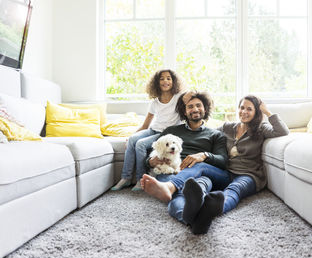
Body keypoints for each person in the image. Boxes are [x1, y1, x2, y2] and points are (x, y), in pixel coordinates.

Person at [171, 95, 290, 234]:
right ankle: (192, 195)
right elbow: (208, 135)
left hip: (249, 175)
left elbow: (282, 131)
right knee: (201, 168)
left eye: (249, 109)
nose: (244, 112)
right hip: (226, 172)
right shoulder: (228, 127)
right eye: (242, 107)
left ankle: (210, 209)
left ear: (256, 112)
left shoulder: (261, 128)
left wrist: (267, 112)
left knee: (234, 190)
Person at [140, 91, 231, 219]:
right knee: (177, 197)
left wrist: (204, 155)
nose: (195, 109)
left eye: (198, 105)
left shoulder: (215, 134)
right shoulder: (171, 131)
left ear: (205, 108)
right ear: (184, 112)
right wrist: (150, 161)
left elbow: (223, 161)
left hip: (203, 171)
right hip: (173, 171)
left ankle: (170, 187)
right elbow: (151, 155)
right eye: (190, 106)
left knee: (197, 171)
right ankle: (191, 220)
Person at [111, 69, 185, 191]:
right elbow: (145, 125)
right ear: (157, 83)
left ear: (173, 81)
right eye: (161, 79)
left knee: (140, 144)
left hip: (164, 134)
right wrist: (131, 135)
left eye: (168, 78)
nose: (165, 81)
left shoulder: (178, 98)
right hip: (153, 129)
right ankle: (126, 177)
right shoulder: (155, 102)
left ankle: (141, 179)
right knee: (133, 140)